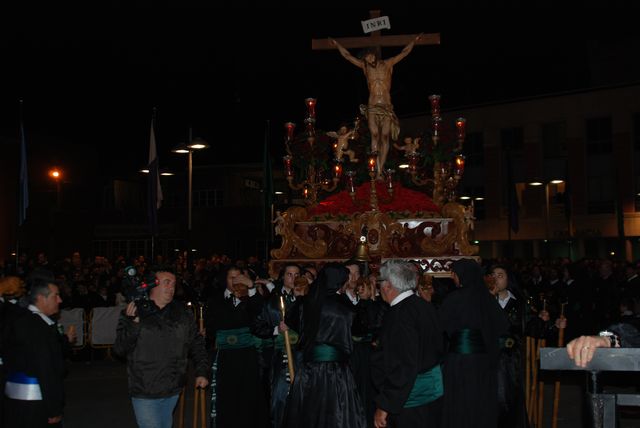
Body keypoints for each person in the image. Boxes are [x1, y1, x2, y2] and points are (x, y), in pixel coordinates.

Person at [113, 267, 209, 428]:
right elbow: (119, 349)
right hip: (145, 390)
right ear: (152, 285)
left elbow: (196, 343)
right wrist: (133, 324)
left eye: (173, 283)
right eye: (166, 282)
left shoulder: (183, 313)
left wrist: (202, 371)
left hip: (172, 387)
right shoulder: (134, 311)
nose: (171, 287)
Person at [283, 263, 366, 428]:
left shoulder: (306, 303)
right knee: (337, 414)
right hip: (335, 373)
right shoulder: (345, 307)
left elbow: (290, 319)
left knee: (308, 413)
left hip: (308, 371)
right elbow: (361, 328)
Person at [330, 34, 422, 179]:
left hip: (386, 105)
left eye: (369, 56)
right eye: (365, 58)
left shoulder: (388, 63)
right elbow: (347, 56)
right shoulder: (364, 67)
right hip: (372, 105)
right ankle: (374, 168)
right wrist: (337, 44)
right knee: (374, 135)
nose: (368, 59)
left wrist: (414, 41)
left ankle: (380, 168)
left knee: (385, 137)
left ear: (373, 54)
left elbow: (404, 53)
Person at [370, 260, 444, 428]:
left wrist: (385, 404)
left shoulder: (400, 316)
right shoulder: (424, 306)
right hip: (430, 395)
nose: (379, 287)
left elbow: (403, 365)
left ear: (388, 285)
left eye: (380, 282)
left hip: (410, 398)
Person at [439, 258, 510, 428]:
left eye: (454, 274)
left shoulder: (454, 298)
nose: (452, 278)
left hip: (458, 362)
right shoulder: (488, 299)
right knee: (479, 402)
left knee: (460, 403)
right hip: (483, 362)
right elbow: (502, 327)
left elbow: (441, 325)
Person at [3, 269, 75, 428]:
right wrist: (54, 409)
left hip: (14, 401)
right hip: (36, 404)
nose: (60, 300)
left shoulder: (19, 320)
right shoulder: (38, 328)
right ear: (41, 298)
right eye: (55, 296)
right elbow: (46, 369)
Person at [205, 265, 268, 428]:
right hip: (224, 356)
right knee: (226, 397)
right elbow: (212, 327)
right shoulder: (215, 300)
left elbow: (259, 311)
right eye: (231, 277)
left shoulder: (250, 298)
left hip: (247, 356)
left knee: (248, 397)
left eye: (238, 277)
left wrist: (251, 288)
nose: (235, 280)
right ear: (224, 280)